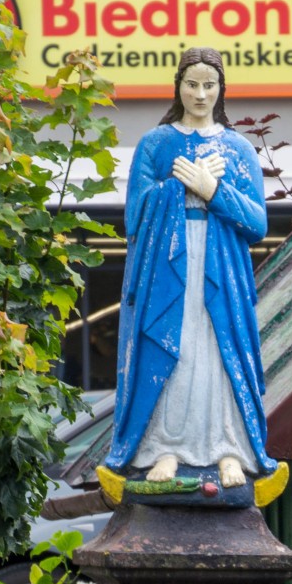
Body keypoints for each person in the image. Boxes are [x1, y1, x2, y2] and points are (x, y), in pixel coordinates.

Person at [105, 48, 276, 488]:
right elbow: (135, 217)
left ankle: (228, 448)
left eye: (209, 85)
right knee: (173, 344)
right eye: (192, 84)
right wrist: (176, 188)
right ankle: (164, 447)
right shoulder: (156, 144)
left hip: (221, 266)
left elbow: (257, 222)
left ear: (221, 90)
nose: (200, 94)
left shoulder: (237, 148)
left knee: (217, 348)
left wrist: (213, 189)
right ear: (177, 85)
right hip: (168, 266)